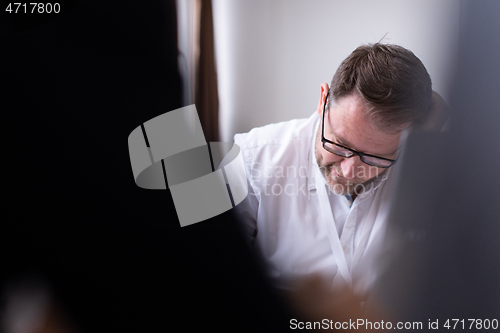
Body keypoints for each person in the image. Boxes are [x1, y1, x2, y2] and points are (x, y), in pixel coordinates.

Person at [233, 43, 448, 295]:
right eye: (338, 144)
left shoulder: (425, 174)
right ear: (323, 100)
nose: (349, 171)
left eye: (375, 158)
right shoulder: (249, 156)